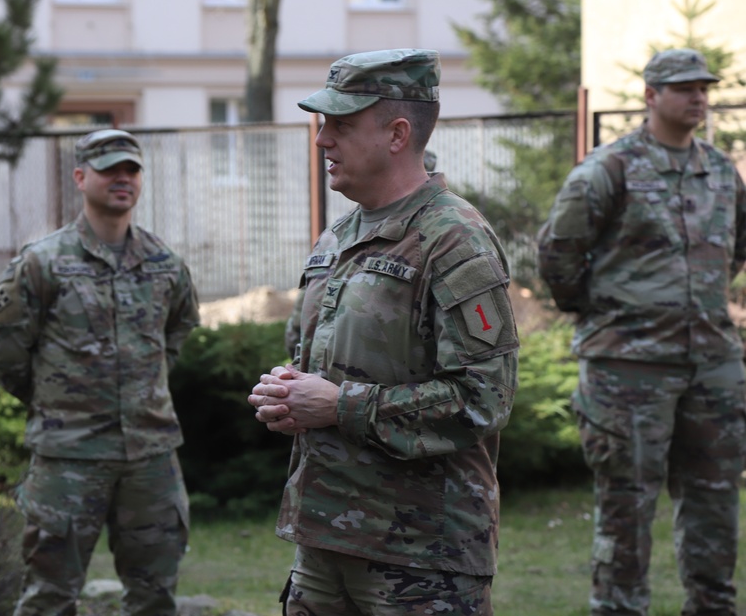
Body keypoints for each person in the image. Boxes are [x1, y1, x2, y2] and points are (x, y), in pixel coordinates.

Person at [249, 49, 519, 616]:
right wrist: (290, 396)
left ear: (398, 134)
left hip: (421, 558)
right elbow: (321, 369)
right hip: (324, 541)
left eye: (340, 126)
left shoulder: (454, 239)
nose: (322, 141)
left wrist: (338, 405)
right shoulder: (337, 237)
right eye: (323, 125)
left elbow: (483, 398)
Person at [537, 48, 746, 616]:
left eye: (704, 87)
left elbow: (732, 254)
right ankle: (619, 607)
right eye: (684, 88)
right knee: (627, 504)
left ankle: (712, 606)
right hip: (626, 368)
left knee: (716, 501)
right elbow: (558, 255)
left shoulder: (722, 173)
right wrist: (607, 314)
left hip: (711, 362)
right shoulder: (608, 170)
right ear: (651, 96)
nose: (698, 97)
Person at [0, 128, 200, 616]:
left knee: (155, 595)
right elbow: (2, 348)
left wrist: (142, 389)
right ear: (81, 177)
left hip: (150, 455)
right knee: (49, 597)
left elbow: (178, 332)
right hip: (69, 455)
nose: (122, 179)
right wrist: (54, 399)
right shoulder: (43, 263)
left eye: (132, 170)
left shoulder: (165, 264)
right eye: (109, 170)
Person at [283, 149, 438, 359]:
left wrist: (338, 394)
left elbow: (476, 381)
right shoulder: (336, 234)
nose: (323, 141)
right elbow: (303, 320)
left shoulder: (443, 235)